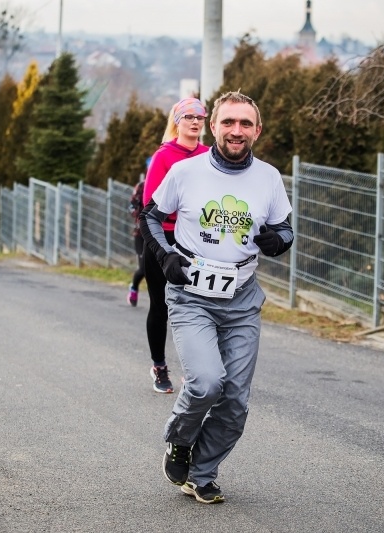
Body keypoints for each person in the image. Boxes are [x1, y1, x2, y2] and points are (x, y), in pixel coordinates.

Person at [139, 91, 293, 504]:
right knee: (207, 382)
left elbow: (285, 228)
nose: (236, 131)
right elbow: (150, 216)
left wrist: (278, 240)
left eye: (245, 124)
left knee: (236, 400)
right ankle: (180, 439)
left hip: (242, 299)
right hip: (191, 295)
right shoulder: (185, 171)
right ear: (214, 127)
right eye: (228, 122)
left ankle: (202, 473)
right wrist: (165, 255)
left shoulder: (269, 178)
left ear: (257, 130)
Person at [142, 98, 209, 393]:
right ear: (177, 121)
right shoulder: (164, 156)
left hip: (196, 240)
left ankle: (194, 370)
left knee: (197, 306)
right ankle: (159, 366)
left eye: (200, 117)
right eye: (189, 117)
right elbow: (149, 205)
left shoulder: (209, 155)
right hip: (163, 239)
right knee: (161, 305)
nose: (195, 122)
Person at [127, 176, 146, 307]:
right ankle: (134, 287)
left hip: (160, 233)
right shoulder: (141, 186)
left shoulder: (168, 182)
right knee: (144, 268)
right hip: (141, 233)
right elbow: (131, 207)